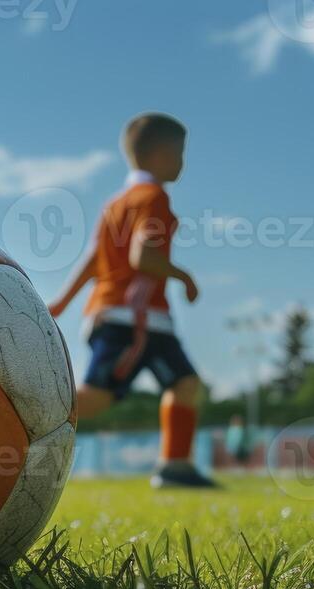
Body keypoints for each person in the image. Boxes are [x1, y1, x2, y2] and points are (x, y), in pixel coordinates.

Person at [48, 112, 213, 489]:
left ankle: (175, 468)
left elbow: (94, 259)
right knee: (98, 399)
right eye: (180, 153)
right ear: (160, 154)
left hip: (120, 315)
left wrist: (62, 302)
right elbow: (143, 256)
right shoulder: (154, 198)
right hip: (134, 319)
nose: (183, 163)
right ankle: (17, 411)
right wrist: (184, 277)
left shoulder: (116, 203)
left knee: (185, 383)